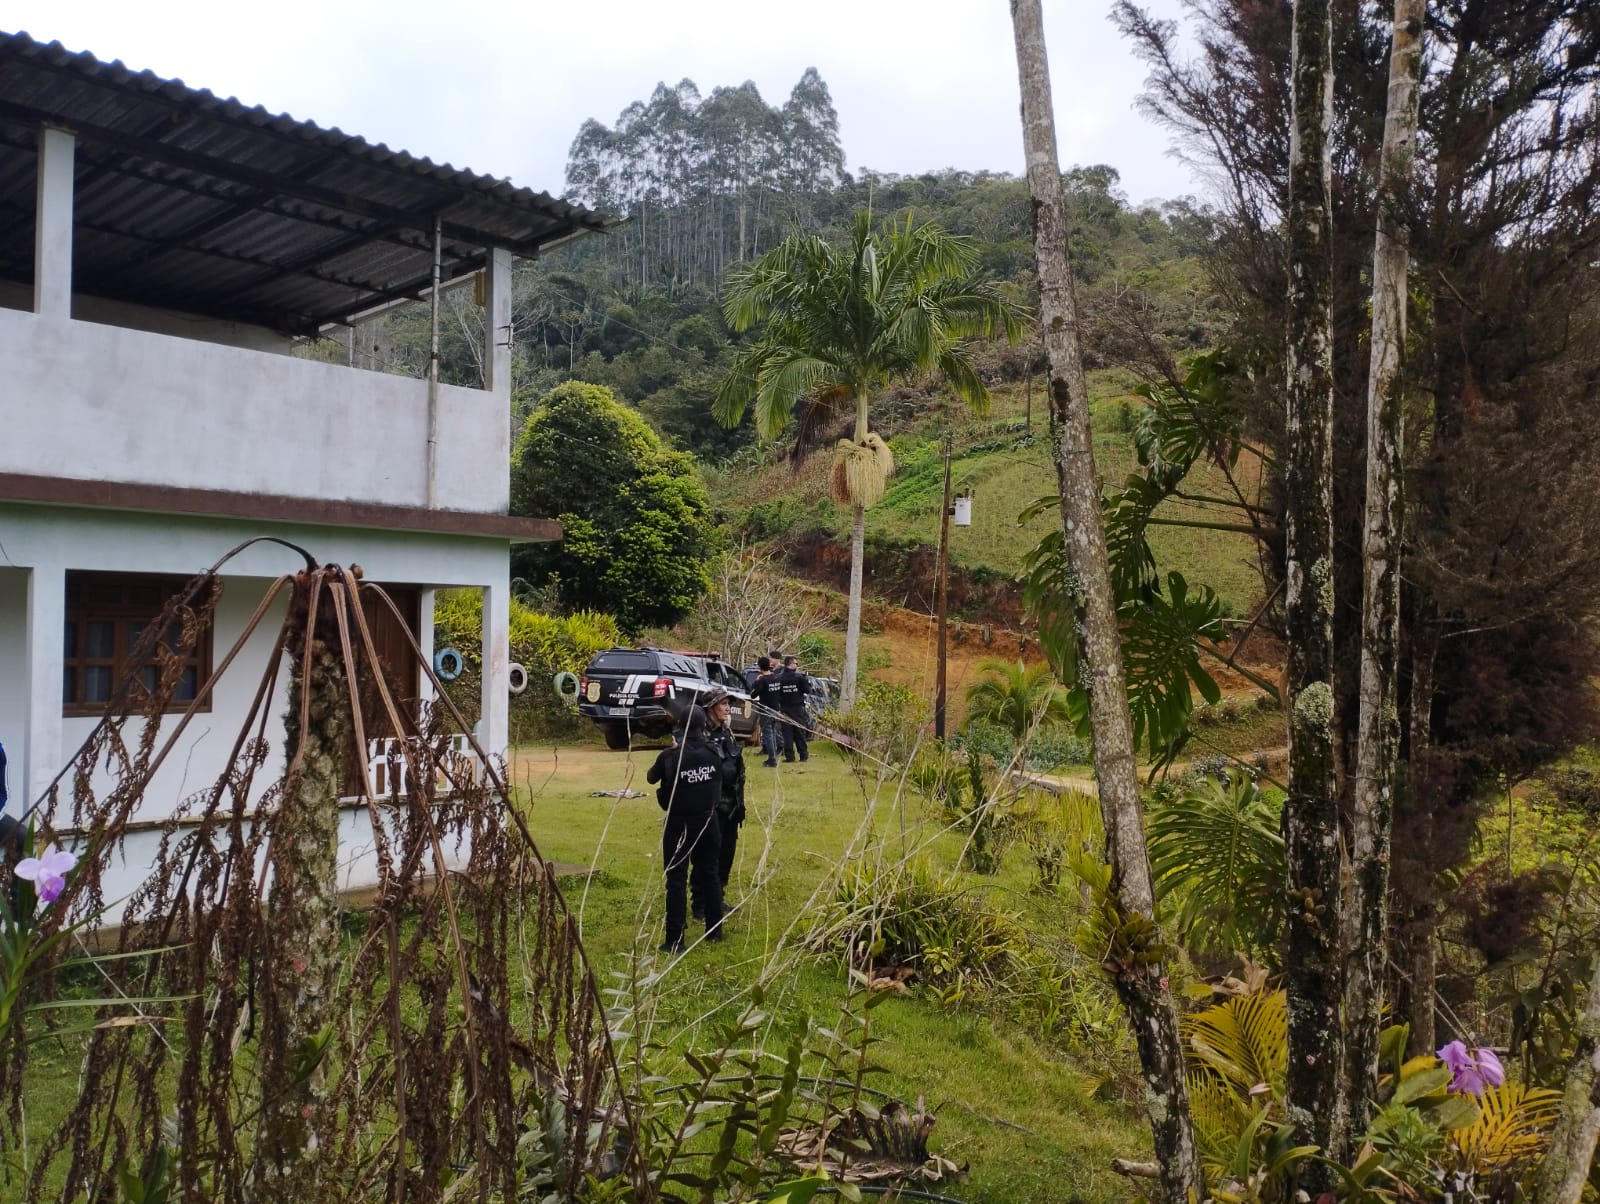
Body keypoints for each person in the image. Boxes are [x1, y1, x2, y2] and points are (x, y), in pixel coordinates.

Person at [645, 706, 727, 952]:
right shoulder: (714, 752)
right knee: (710, 873)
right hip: (708, 821)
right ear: (703, 726)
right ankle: (714, 931)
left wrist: (672, 751)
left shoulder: (670, 757)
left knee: (676, 879)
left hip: (679, 823)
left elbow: (651, 777)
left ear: (680, 726)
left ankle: (675, 939)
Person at [700, 686, 746, 903]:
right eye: (723, 704)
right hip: (710, 806)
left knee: (727, 853)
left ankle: (718, 897)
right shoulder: (699, 733)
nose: (728, 708)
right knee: (708, 855)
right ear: (710, 708)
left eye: (728, 704)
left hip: (731, 805)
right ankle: (701, 902)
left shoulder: (726, 731)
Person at [776, 655, 811, 763]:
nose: (796, 665)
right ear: (790, 664)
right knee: (799, 732)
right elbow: (807, 690)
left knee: (787, 734)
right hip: (797, 708)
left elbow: (776, 694)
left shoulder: (779, 678)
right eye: (796, 663)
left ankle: (790, 756)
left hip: (784, 709)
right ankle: (803, 755)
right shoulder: (799, 677)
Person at [750, 656, 781, 767]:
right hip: (776, 709)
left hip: (766, 710)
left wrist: (756, 681)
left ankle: (772, 759)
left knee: (768, 734)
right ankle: (774, 755)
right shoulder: (776, 677)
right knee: (772, 733)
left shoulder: (762, 680)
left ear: (759, 667)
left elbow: (753, 695)